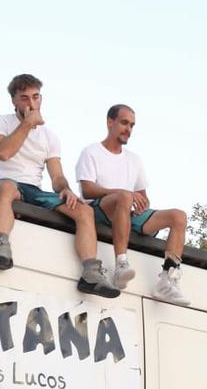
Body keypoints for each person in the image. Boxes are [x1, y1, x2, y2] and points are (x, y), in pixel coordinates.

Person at [0, 74, 118, 298]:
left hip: (34, 190)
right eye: (24, 98)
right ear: (14, 101)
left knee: (84, 210)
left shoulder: (50, 136)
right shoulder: (0, 121)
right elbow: (3, 152)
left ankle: (90, 273)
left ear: (41, 98)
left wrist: (65, 189)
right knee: (7, 188)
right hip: (7, 183)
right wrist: (27, 124)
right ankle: (1, 245)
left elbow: (56, 176)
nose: (31, 103)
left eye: (35, 97)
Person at [75, 104, 191, 306]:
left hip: (127, 213)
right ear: (110, 122)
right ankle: (121, 263)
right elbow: (86, 190)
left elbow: (142, 196)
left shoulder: (134, 160)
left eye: (132, 125)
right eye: (124, 123)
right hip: (101, 209)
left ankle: (167, 280)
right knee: (125, 198)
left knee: (178, 216)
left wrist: (142, 204)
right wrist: (121, 193)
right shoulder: (91, 152)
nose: (128, 129)